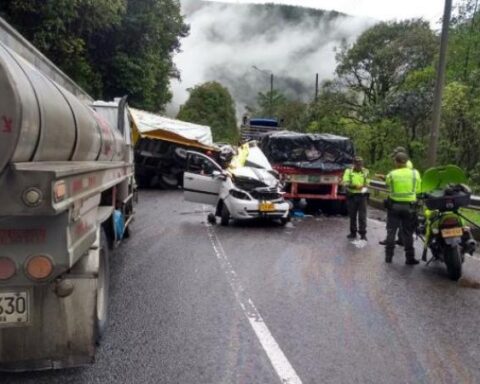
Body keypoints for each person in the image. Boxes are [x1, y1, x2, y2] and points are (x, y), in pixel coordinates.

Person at [384, 152, 421, 265]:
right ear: (406, 162)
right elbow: (418, 190)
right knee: (408, 233)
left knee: (391, 231)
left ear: (397, 162)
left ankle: (388, 257)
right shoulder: (415, 173)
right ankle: (410, 258)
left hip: (394, 206)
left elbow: (387, 184)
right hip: (409, 207)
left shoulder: (392, 174)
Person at [379, 146, 414, 245]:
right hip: (407, 198)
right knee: (403, 222)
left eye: (395, 156)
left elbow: (401, 179)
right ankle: (401, 239)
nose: (394, 158)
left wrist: (386, 177)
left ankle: (390, 240)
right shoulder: (408, 164)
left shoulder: (406, 165)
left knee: (393, 222)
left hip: (398, 198)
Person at [343, 156, 369, 240]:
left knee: (362, 217)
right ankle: (353, 233)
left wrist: (364, 187)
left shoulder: (365, 171)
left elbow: (368, 183)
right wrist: (355, 186)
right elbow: (345, 183)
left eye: (360, 164)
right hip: (352, 196)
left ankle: (363, 234)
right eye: (357, 164)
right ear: (354, 164)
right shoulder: (348, 171)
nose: (359, 166)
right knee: (352, 216)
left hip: (362, 196)